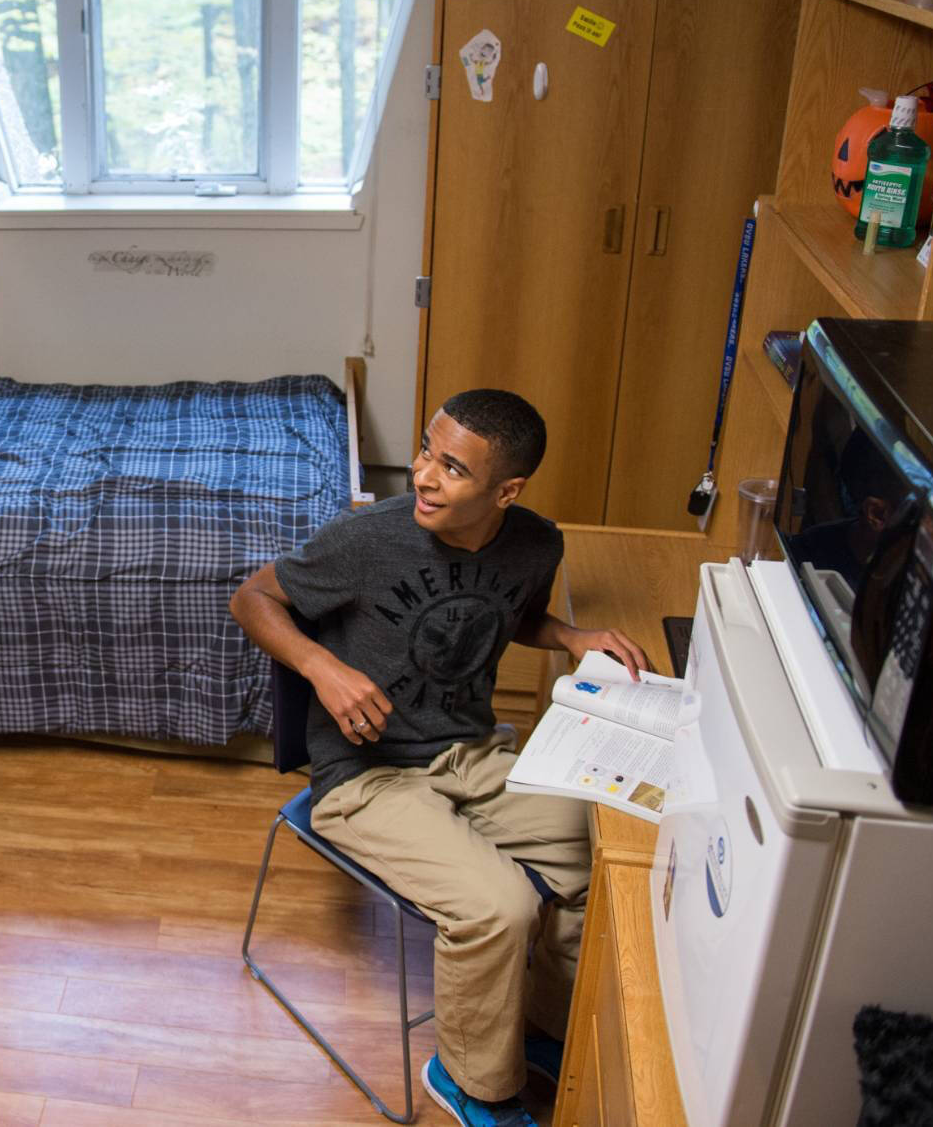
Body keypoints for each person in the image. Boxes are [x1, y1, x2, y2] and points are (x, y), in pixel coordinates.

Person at [230, 389, 649, 1127]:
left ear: (505, 492)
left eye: (451, 467)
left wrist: (569, 637)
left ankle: (541, 1025)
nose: (422, 473)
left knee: (600, 851)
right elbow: (253, 597)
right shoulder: (369, 539)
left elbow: (508, 609)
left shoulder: (536, 542)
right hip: (364, 777)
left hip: (469, 754)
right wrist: (322, 670)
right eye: (428, 449)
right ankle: (469, 1080)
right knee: (498, 905)